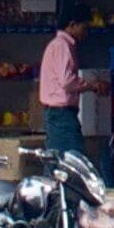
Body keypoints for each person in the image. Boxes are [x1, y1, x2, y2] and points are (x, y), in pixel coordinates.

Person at [38, 19, 86, 167]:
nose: (86, 33)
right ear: (72, 24)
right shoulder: (62, 46)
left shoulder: (60, 45)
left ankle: (57, 188)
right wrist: (91, 85)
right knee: (73, 160)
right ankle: (58, 189)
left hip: (59, 114)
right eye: (84, 28)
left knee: (60, 159)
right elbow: (67, 82)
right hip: (61, 115)